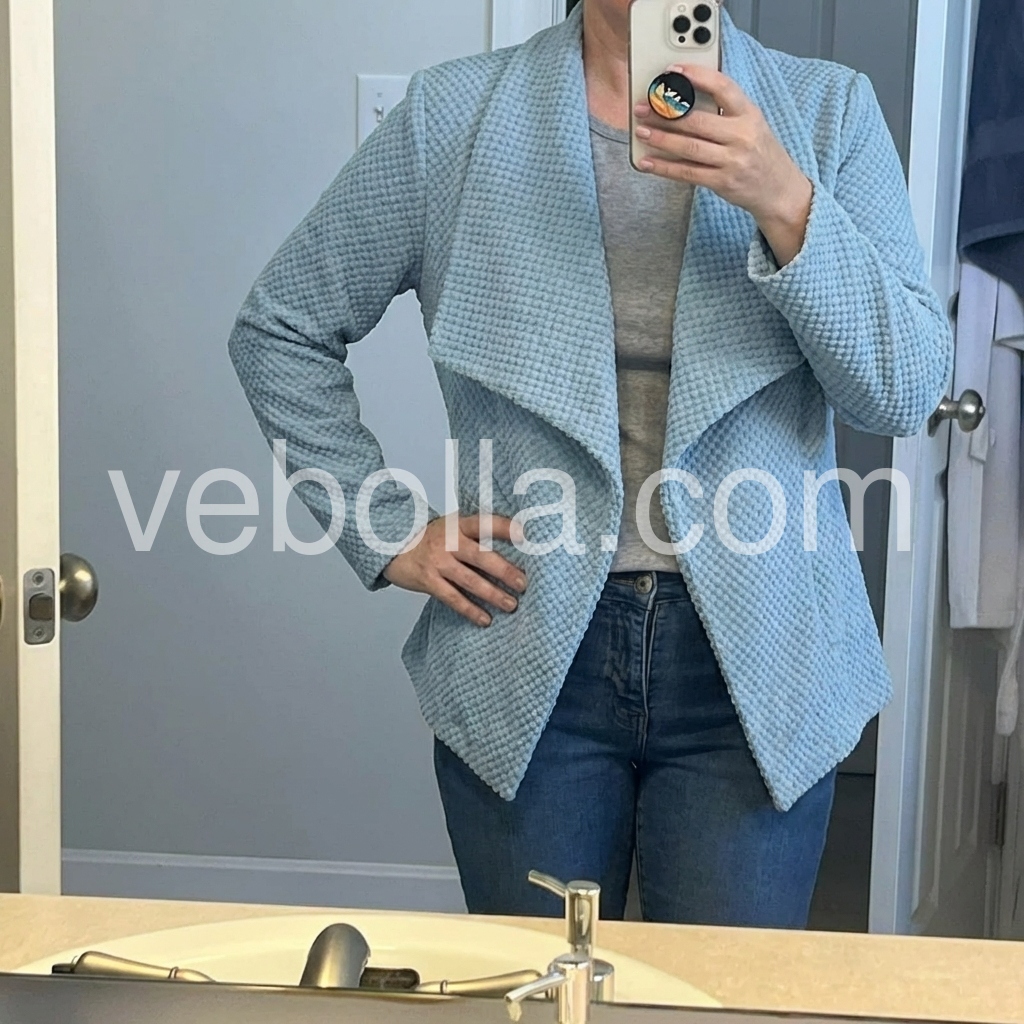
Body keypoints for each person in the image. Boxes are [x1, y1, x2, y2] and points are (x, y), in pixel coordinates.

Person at [229, 0, 953, 928]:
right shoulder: (452, 117)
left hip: (763, 658)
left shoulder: (827, 114)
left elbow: (901, 393)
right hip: (527, 643)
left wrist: (785, 200)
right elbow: (280, 328)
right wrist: (387, 529)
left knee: (717, 993)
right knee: (537, 985)